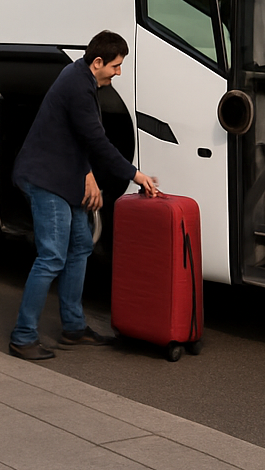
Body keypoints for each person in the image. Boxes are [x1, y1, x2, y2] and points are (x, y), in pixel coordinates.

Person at [9, 30, 158, 360]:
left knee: (80, 246)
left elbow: (73, 137)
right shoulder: (78, 87)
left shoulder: (79, 74)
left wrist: (87, 175)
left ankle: (73, 329)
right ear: (98, 62)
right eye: (116, 67)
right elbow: (96, 141)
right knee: (51, 257)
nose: (119, 73)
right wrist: (136, 175)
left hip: (64, 177)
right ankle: (22, 336)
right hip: (45, 180)